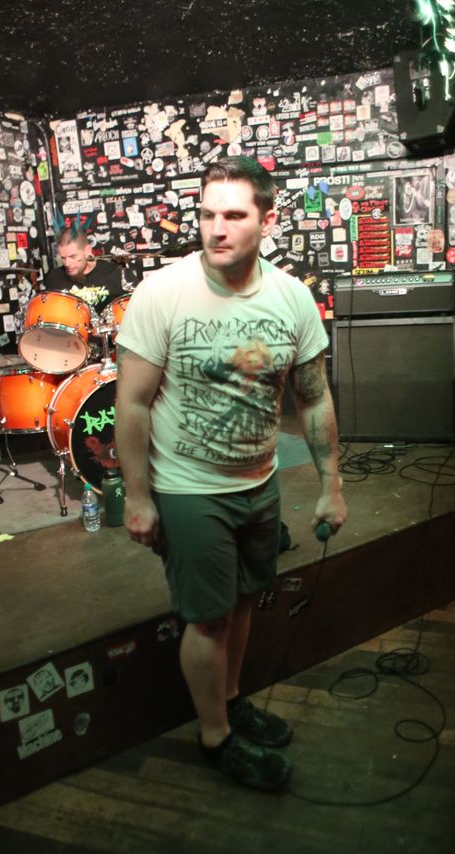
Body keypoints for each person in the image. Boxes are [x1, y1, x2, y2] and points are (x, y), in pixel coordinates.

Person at [115, 157, 347, 792]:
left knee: (244, 600)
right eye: (207, 214)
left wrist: (331, 486)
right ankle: (215, 736)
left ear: (267, 222)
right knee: (209, 617)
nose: (216, 228)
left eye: (235, 215)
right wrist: (138, 496)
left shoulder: (291, 297)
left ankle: (233, 699)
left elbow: (314, 398)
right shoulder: (163, 292)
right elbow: (131, 403)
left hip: (259, 480)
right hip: (188, 487)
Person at [45, 227, 135, 314]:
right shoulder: (55, 278)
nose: (67, 263)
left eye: (72, 256)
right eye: (63, 258)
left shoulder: (116, 272)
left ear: (87, 250)